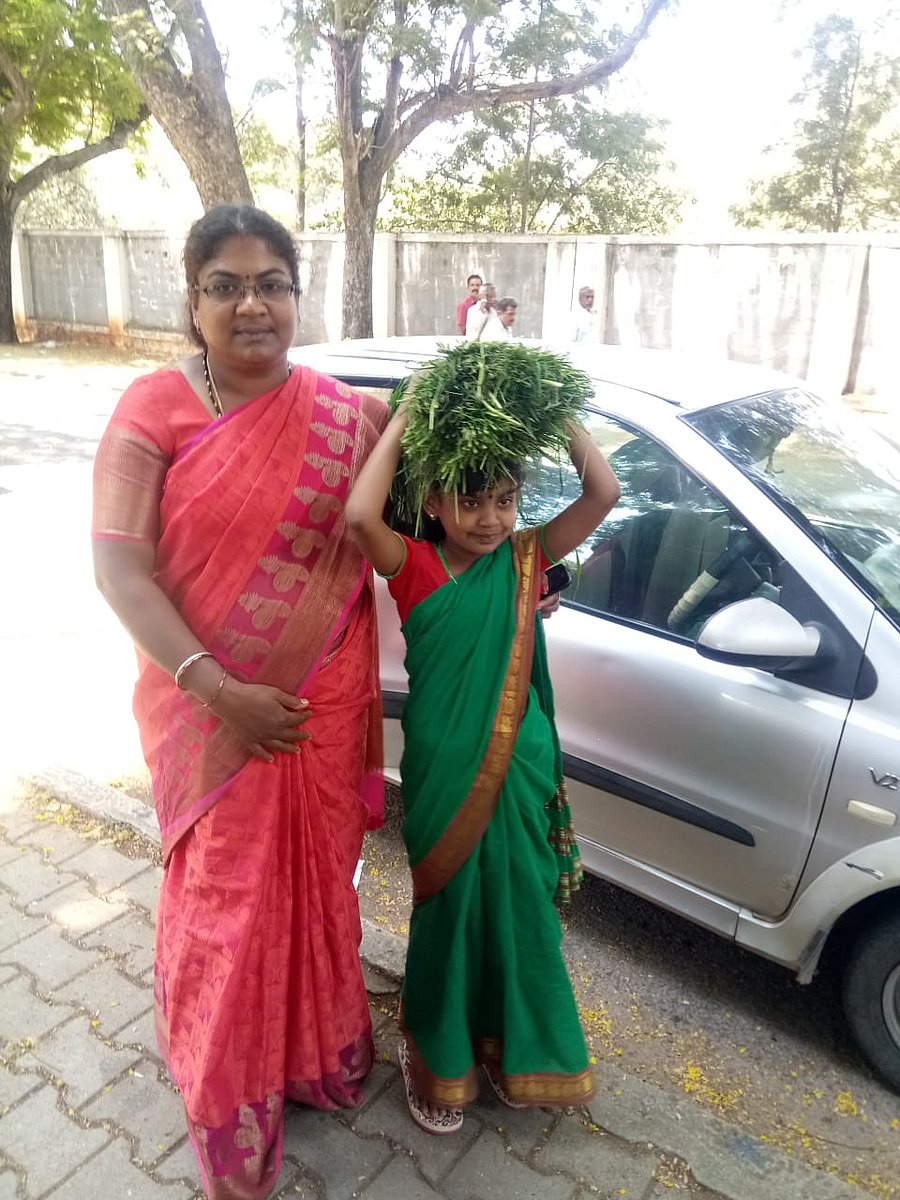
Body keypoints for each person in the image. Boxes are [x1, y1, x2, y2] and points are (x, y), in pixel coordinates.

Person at [91, 205, 388, 1199]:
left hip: (324, 711)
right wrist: (222, 694)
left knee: (316, 889)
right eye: (226, 284)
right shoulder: (151, 412)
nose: (252, 303)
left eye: (272, 282)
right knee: (225, 910)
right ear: (195, 300)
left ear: (298, 296)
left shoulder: (354, 416)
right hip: (210, 718)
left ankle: (311, 1057)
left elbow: (438, 530)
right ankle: (230, 1106)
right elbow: (122, 575)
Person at [344, 401, 621, 1134]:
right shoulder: (416, 565)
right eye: (470, 500)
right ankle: (433, 1051)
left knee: (521, 905)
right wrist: (408, 421)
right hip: (445, 760)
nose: (492, 518)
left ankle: (514, 1045)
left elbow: (605, 494)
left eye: (506, 500)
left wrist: (554, 411)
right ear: (433, 500)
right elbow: (360, 519)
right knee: (451, 906)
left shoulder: (527, 559)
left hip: (520, 760)